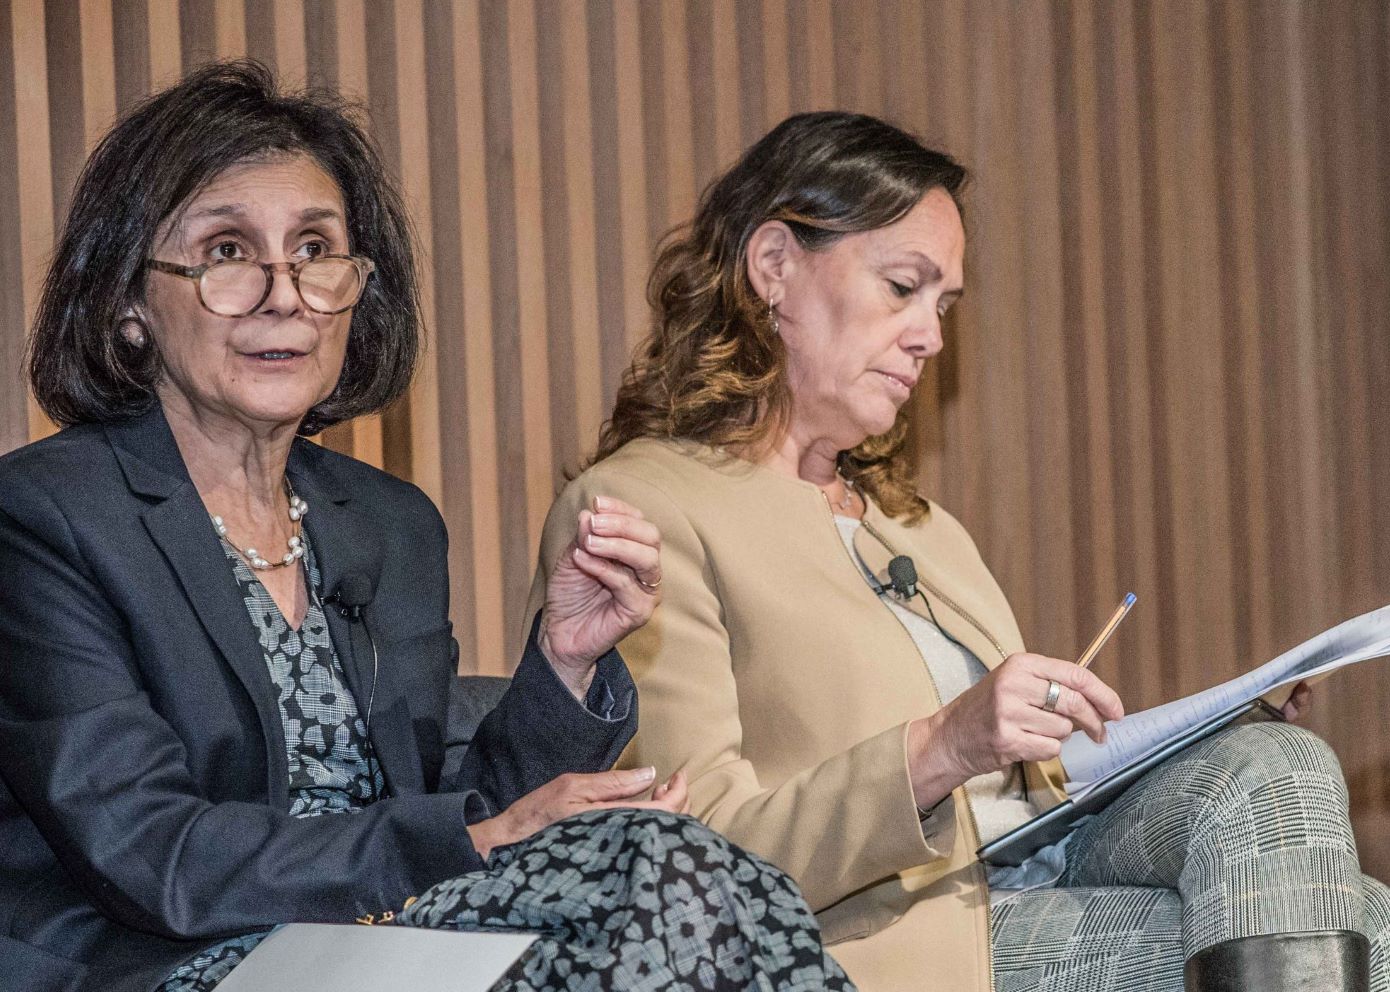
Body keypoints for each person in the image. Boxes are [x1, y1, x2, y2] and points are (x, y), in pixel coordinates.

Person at [0, 62, 852, 992]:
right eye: (229, 253)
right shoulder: (48, 517)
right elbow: (150, 850)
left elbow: (451, 804)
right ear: (130, 304)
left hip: (380, 943)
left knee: (670, 864)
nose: (284, 292)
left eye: (317, 249)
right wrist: (467, 840)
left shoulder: (389, 525)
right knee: (649, 870)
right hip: (161, 962)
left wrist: (564, 663)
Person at [531, 110, 1390, 992]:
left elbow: (1028, 793)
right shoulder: (643, 510)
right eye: (902, 287)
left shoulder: (917, 525)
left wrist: (1207, 725)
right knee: (1368, 928)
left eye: (944, 303)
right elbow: (692, 857)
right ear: (773, 268)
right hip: (859, 944)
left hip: (1026, 876)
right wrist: (938, 749)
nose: (932, 337)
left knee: (1279, 766)